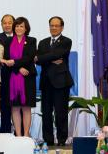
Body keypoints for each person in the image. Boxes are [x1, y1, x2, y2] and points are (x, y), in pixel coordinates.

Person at [35, 16, 73, 146]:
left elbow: (57, 54)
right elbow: (38, 60)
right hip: (46, 82)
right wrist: (50, 59)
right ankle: (48, 140)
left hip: (61, 82)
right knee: (46, 113)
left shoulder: (66, 41)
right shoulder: (43, 42)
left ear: (62, 27)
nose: (54, 28)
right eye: (52, 25)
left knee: (61, 112)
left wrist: (45, 58)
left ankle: (62, 140)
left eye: (56, 25)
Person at [2, 17, 37, 137]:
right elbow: (6, 58)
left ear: (26, 28)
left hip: (27, 77)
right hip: (12, 77)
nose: (19, 28)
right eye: (17, 26)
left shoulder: (32, 40)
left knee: (26, 107)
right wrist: (18, 68)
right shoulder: (7, 41)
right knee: (15, 108)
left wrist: (16, 64)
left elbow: (29, 57)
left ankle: (26, 135)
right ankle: (18, 134)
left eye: (21, 26)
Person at [0, 14, 15, 133]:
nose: (7, 25)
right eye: (4, 23)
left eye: (10, 22)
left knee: (19, 107)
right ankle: (5, 132)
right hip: (3, 76)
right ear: (1, 24)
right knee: (5, 106)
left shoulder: (21, 37)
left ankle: (20, 133)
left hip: (18, 75)